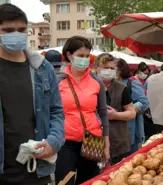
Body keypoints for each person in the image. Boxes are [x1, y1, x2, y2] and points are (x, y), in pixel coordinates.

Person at [0, 4, 65, 185]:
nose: (16, 34)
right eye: (8, 30)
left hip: (36, 169)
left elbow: (56, 112)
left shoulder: (43, 69)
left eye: (21, 30)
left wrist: (53, 142)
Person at [55, 36, 110, 185]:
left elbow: (103, 114)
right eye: (80, 56)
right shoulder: (58, 81)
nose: (85, 60)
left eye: (87, 56)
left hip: (93, 140)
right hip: (66, 141)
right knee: (64, 182)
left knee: (89, 181)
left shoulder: (96, 81)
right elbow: (51, 113)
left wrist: (106, 144)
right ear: (69, 55)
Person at [94, 53, 136, 164]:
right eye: (105, 67)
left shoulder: (121, 88)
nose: (108, 70)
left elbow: (132, 112)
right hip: (94, 139)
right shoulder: (89, 86)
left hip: (118, 142)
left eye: (111, 68)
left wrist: (116, 115)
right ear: (97, 68)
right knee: (94, 177)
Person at [117, 59, 149, 154]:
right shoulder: (108, 84)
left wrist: (128, 110)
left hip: (131, 131)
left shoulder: (131, 83)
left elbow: (144, 102)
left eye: (112, 68)